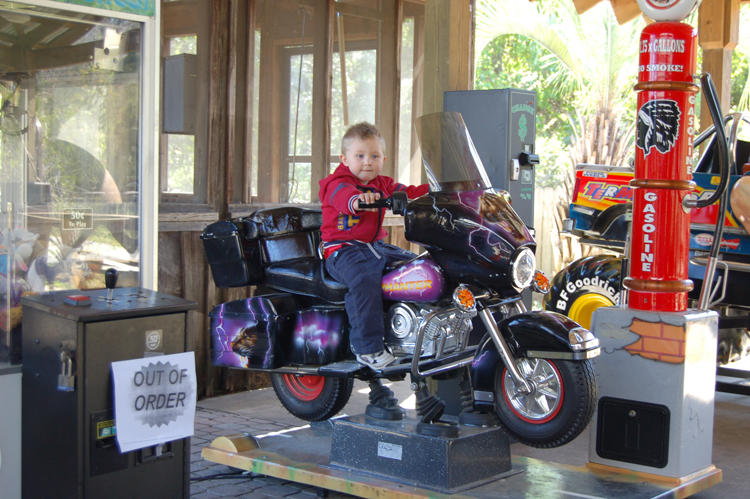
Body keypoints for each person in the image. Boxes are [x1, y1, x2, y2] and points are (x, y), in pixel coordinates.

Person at [319, 122, 429, 370]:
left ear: (383, 159)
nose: (367, 162)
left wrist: (437, 189)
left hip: (373, 246)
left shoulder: (383, 183)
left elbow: (409, 192)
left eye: (374, 156)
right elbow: (344, 197)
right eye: (360, 156)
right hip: (342, 249)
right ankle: (367, 348)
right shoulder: (337, 183)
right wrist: (359, 200)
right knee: (364, 277)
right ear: (344, 158)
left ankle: (412, 334)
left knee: (417, 266)